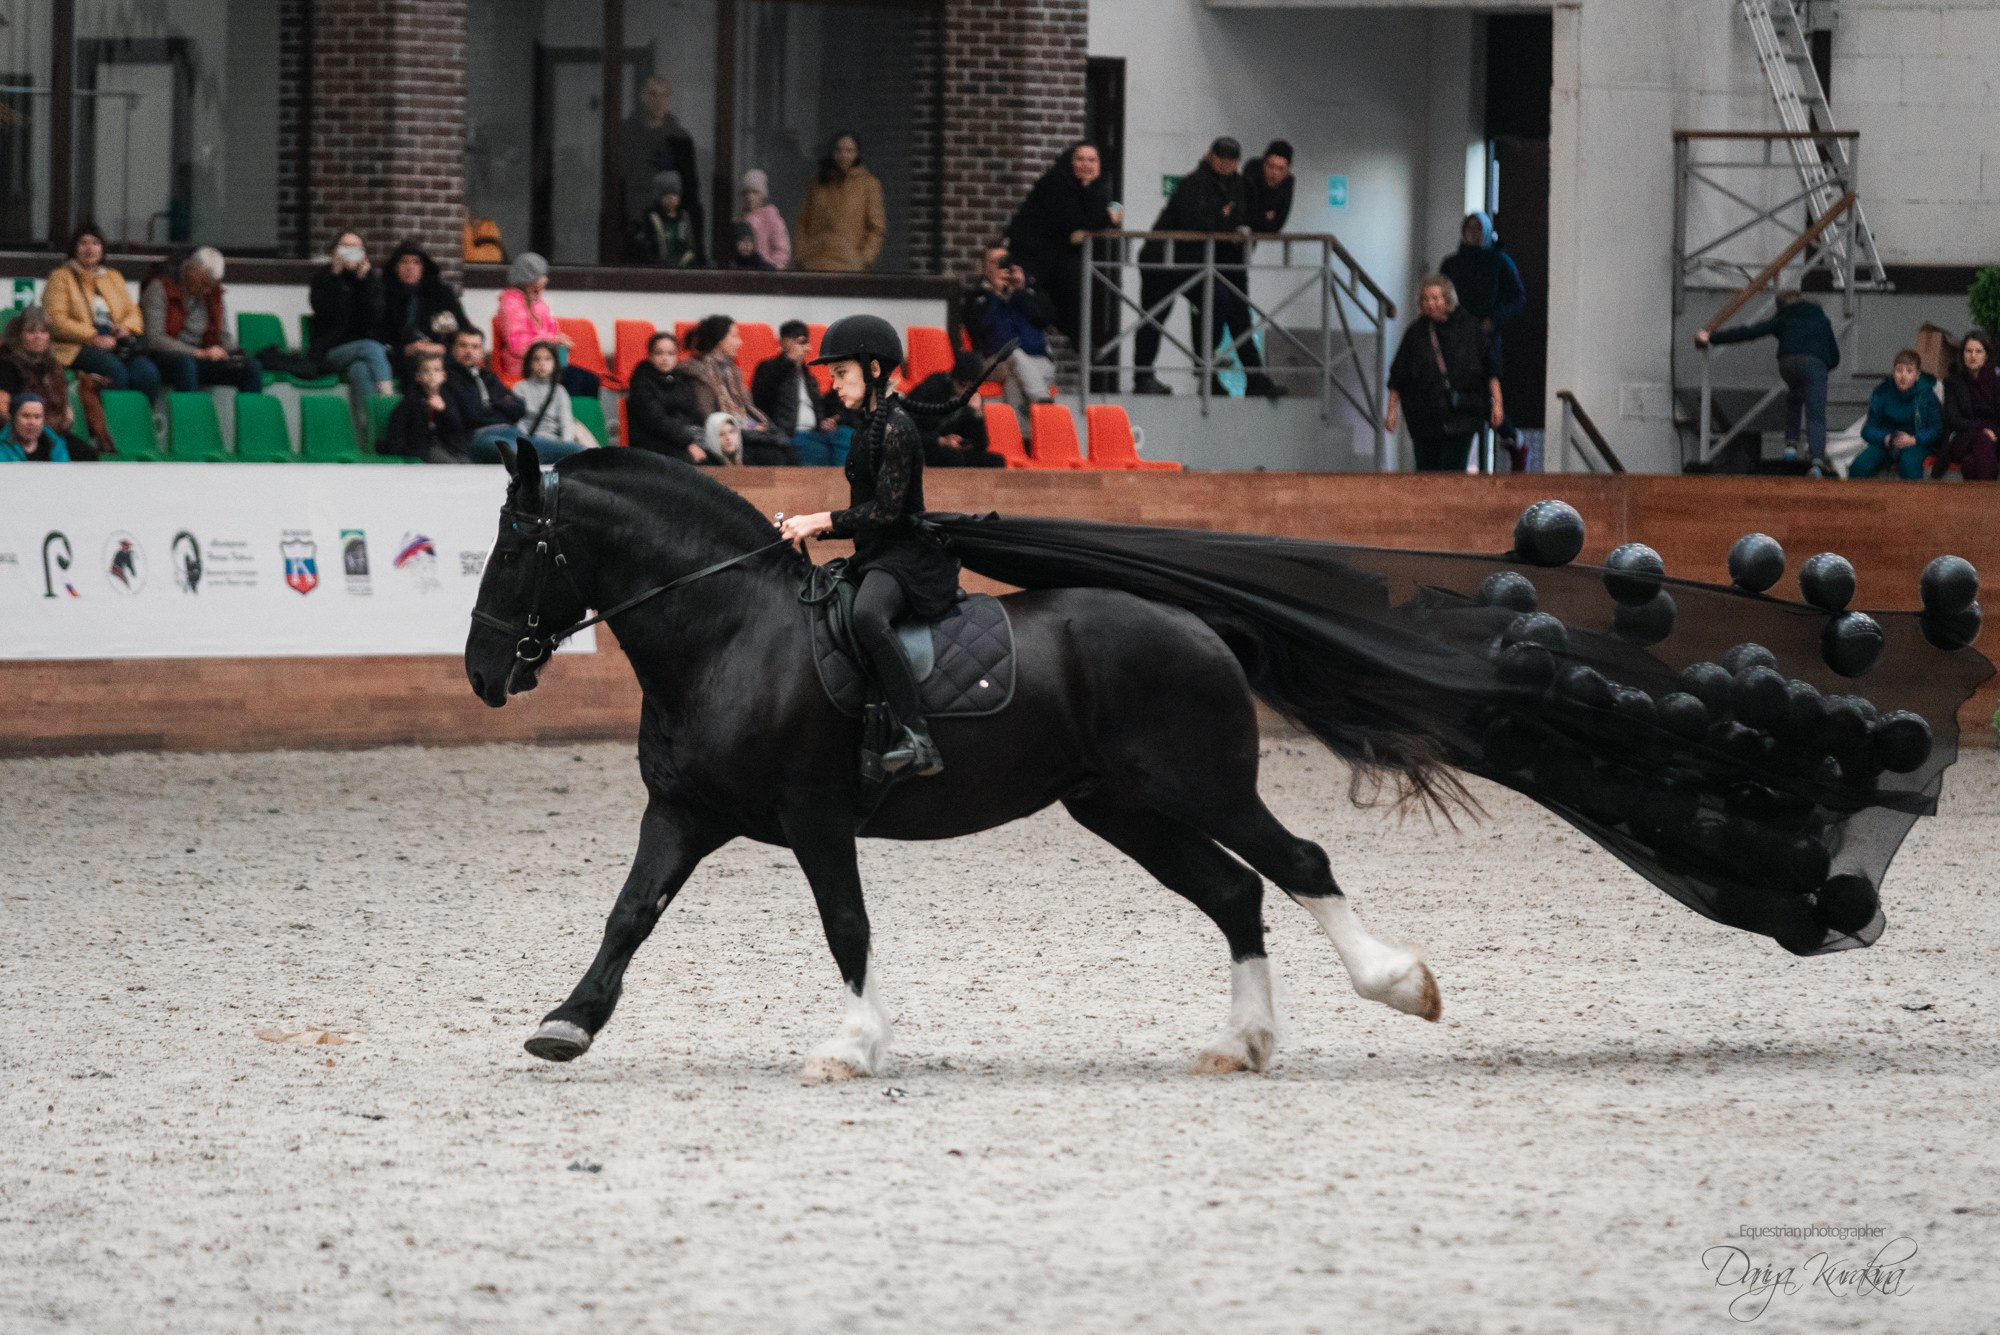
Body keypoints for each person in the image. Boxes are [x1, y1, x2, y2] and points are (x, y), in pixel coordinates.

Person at [778, 316, 960, 776]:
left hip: (905, 557)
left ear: (873, 369)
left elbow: (886, 513)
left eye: (841, 373)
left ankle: (918, 737)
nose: (833, 384)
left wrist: (818, 521)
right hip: (877, 553)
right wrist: (810, 527)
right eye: (832, 375)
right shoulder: (867, 428)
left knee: (866, 616)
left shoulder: (897, 427)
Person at [1132, 137, 1282, 399]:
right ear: (1211, 156)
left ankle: (1211, 370)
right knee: (1154, 317)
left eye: (1231, 161)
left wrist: (1223, 218)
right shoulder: (1193, 183)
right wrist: (1223, 219)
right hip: (1163, 261)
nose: (1226, 165)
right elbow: (1197, 221)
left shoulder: (1238, 184)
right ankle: (1144, 376)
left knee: (1221, 303)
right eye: (1222, 160)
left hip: (1198, 263)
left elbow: (1242, 216)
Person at [1696, 289, 1841, 477]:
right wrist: (1822, 368)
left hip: (1788, 363)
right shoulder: (1821, 320)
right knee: (1815, 414)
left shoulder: (1784, 318)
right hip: (1815, 365)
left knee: (1795, 399)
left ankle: (1790, 448)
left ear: (1780, 306)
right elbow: (1835, 357)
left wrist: (1712, 337)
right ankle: (1817, 463)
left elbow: (1751, 332)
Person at [1004, 141, 1119, 352]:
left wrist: (1105, 209)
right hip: (1033, 256)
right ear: (1069, 162)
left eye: (1092, 160)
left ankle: (1085, 345)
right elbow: (1073, 220)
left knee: (1075, 290)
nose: (1086, 165)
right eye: (1080, 159)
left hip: (1055, 257)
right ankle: (1081, 345)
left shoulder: (1092, 187)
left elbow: (1114, 208)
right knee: (1046, 303)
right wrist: (1107, 216)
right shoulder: (1054, 183)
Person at [1386, 274, 1503, 473]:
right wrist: (1391, 411)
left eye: (1435, 298)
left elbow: (1490, 369)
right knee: (1425, 472)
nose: (1431, 303)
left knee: (1453, 472)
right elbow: (1398, 376)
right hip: (1424, 417)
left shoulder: (1470, 328)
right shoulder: (1416, 333)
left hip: (1463, 414)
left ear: (1447, 299)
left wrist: (1498, 404)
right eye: (1426, 299)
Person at [1440, 212, 1527, 467]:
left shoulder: (1500, 261)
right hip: (1454, 338)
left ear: (1487, 232)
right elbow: (1443, 296)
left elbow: (1517, 299)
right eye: (1469, 229)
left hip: (1485, 338)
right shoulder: (1452, 264)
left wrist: (1494, 320)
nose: (1474, 234)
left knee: (1483, 396)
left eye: (1479, 230)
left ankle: (1512, 440)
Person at [43, 224, 163, 400]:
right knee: (116, 371)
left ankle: (139, 423)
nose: (90, 248)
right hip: (77, 344)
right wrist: (92, 337)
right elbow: (55, 319)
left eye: (95, 243)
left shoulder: (113, 276)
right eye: (83, 243)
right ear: (74, 248)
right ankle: (111, 424)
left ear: (102, 249)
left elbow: (133, 312)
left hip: (114, 341)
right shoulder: (61, 277)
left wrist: (126, 329)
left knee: (147, 372)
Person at [958, 247, 1058, 431]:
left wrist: (1020, 291)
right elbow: (979, 328)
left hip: (1038, 362)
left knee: (1015, 377)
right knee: (1013, 352)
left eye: (1005, 261)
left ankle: (1019, 438)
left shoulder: (1027, 293)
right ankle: (1044, 408)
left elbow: (1045, 319)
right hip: (993, 361)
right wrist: (995, 295)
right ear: (984, 268)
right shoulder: (976, 297)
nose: (1001, 266)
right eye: (995, 262)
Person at [141, 247, 264, 396]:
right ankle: (189, 418)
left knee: (251, 367)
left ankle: (249, 417)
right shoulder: (160, 287)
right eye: (204, 283)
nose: (207, 291)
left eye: (211, 285)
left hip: (205, 355)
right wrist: (198, 353)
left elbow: (224, 334)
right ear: (192, 271)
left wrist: (226, 351)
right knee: (186, 365)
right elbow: (155, 338)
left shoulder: (213, 291)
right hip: (168, 355)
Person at [681, 314, 797, 464]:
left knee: (785, 447)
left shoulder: (733, 372)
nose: (740, 342)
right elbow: (708, 417)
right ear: (720, 339)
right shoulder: (698, 374)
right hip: (723, 436)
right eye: (734, 337)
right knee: (774, 454)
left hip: (743, 431)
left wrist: (755, 425)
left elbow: (747, 408)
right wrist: (746, 428)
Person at [492, 252, 600, 399]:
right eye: (541, 276)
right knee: (575, 379)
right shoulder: (510, 306)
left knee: (591, 379)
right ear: (528, 280)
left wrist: (558, 338)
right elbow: (517, 345)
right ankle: (566, 418)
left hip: (547, 362)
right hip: (526, 365)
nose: (545, 280)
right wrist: (553, 340)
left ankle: (585, 420)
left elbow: (550, 331)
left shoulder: (538, 303)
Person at [308, 229, 393, 414]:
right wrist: (336, 278)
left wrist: (364, 283)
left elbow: (373, 317)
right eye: (345, 247)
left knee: (360, 370)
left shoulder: (370, 280)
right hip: (330, 350)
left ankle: (368, 430)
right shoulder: (323, 278)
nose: (350, 252)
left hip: (360, 351)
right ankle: (388, 402)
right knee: (372, 348)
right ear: (334, 251)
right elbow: (325, 313)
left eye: (355, 248)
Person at [376, 238, 473, 381]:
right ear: (396, 267)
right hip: (400, 356)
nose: (410, 267)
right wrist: (406, 350)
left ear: (424, 268)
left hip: (440, 353)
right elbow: (379, 335)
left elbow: (462, 328)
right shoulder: (383, 294)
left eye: (416, 262)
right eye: (404, 262)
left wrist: (442, 347)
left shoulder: (441, 294)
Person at [752, 320, 847, 465]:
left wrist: (825, 420)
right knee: (817, 450)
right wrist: (788, 361)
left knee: (846, 435)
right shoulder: (768, 368)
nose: (808, 348)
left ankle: (847, 481)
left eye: (808, 343)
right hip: (789, 433)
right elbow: (762, 398)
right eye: (801, 342)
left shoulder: (808, 376)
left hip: (815, 432)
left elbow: (818, 404)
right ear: (784, 343)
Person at [619, 75, 702, 241]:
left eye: (664, 95)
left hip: (668, 223)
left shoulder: (679, 138)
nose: (659, 101)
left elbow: (689, 187)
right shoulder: (626, 134)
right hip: (632, 218)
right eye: (653, 95)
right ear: (642, 96)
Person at [0, 307, 93, 448]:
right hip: (22, 436)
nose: (38, 337)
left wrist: (67, 415)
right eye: (31, 332)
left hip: (54, 433)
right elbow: (3, 407)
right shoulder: (8, 364)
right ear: (19, 335)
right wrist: (27, 435)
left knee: (87, 454)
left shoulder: (54, 365)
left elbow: (63, 403)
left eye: (43, 332)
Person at [795, 132, 886, 273]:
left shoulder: (869, 185)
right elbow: (802, 222)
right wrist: (801, 255)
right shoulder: (817, 183)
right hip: (813, 264)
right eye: (839, 150)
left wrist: (864, 260)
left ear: (857, 154)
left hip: (849, 267)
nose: (843, 155)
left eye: (849, 151)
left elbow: (876, 228)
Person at [442, 327, 534, 460]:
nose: (469, 351)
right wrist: (501, 408)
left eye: (475, 347)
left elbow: (519, 407)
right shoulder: (448, 379)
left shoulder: (489, 377)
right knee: (512, 452)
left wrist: (493, 405)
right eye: (463, 346)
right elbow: (471, 415)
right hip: (477, 437)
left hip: (512, 433)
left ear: (482, 352)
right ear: (454, 349)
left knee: (572, 450)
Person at [1851, 349, 1941, 481]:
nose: (1903, 376)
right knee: (1859, 466)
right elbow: (1868, 429)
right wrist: (1885, 438)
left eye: (1909, 371)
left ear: (1917, 375)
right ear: (1893, 372)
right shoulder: (1882, 392)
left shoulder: (1926, 395)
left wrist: (1914, 439)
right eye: (1899, 370)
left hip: (1915, 442)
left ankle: (1914, 501)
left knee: (1909, 465)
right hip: (1886, 441)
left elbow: (1936, 429)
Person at [624, 330, 708, 461]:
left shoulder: (681, 379)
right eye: (659, 353)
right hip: (652, 440)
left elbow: (693, 412)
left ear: (676, 357)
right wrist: (688, 443)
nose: (665, 358)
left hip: (681, 436)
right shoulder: (641, 380)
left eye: (670, 354)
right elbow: (657, 420)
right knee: (695, 460)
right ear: (650, 356)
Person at [910, 351, 1003, 468]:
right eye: (962, 385)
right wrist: (940, 440)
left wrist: (978, 414)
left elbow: (981, 445)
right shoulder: (931, 389)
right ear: (953, 379)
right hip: (926, 446)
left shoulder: (973, 399)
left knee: (996, 461)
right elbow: (908, 429)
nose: (966, 391)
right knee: (953, 458)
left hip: (952, 448)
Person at [381, 352, 472, 463]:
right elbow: (397, 431)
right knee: (449, 464)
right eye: (426, 371)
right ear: (418, 377)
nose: (431, 374)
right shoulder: (410, 400)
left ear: (443, 376)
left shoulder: (449, 398)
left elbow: (458, 428)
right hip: (423, 448)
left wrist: (444, 410)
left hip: (449, 446)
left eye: (436, 370)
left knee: (467, 463)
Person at [1937, 330, 2000, 481]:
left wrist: (1994, 432)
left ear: (1986, 355)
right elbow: (1953, 419)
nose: (1973, 356)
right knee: (1982, 440)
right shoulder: (1952, 381)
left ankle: (1977, 502)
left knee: (1970, 464)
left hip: (1994, 436)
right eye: (1969, 351)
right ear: (1962, 354)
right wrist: (1983, 430)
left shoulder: (1996, 381)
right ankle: (1990, 500)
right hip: (1962, 437)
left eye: (1978, 351)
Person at [513, 341, 597, 453]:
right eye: (536, 359)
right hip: (529, 441)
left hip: (555, 443)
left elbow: (565, 422)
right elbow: (518, 420)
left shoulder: (559, 391)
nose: (542, 363)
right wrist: (524, 442)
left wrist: (566, 447)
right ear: (529, 363)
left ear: (555, 364)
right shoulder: (520, 388)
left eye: (548, 359)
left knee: (577, 432)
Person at [628, 171, 703, 268]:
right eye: (666, 195)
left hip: (683, 268)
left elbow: (692, 245)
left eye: (674, 194)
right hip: (658, 268)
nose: (671, 199)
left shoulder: (685, 217)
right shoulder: (652, 218)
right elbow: (647, 247)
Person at [740, 169, 791, 270]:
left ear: (763, 195)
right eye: (746, 193)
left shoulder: (771, 218)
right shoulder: (740, 219)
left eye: (755, 192)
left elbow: (782, 250)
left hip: (765, 277)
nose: (749, 197)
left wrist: (771, 268)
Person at [0, 394, 77, 462]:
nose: (32, 422)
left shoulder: (56, 444)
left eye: (37, 417)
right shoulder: (2, 447)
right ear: (13, 418)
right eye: (26, 416)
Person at [1243, 139, 1296, 236]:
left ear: (1288, 170)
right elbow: (1246, 215)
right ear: (1263, 164)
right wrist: (1265, 215)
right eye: (1271, 166)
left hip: (1251, 238)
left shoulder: (1288, 182)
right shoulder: (1252, 171)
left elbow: (1277, 225)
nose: (1274, 173)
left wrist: (1259, 215)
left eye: (1280, 169)